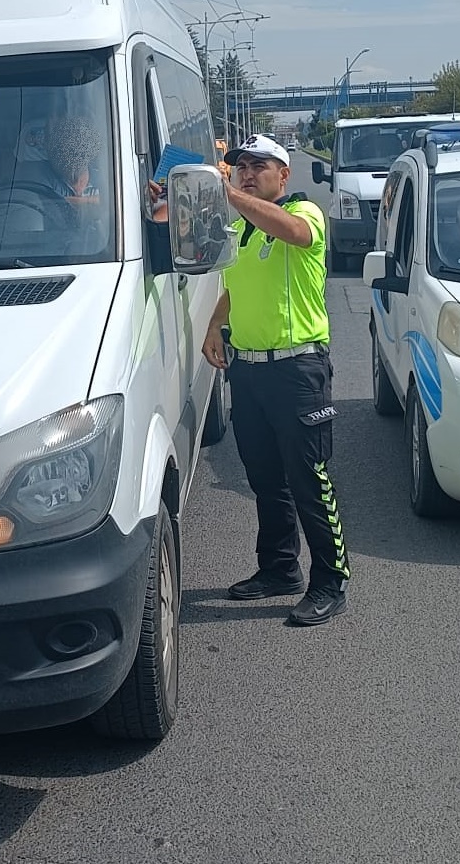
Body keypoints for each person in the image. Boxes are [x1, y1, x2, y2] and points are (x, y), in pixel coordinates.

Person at [201, 133, 351, 627]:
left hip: (297, 370)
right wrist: (215, 325)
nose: (246, 172)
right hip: (249, 371)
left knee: (310, 479)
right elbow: (236, 284)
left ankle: (330, 581)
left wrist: (229, 194)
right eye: (240, 166)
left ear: (284, 175)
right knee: (266, 480)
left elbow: (293, 233)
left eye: (258, 165)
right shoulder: (240, 228)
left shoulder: (304, 213)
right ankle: (279, 569)